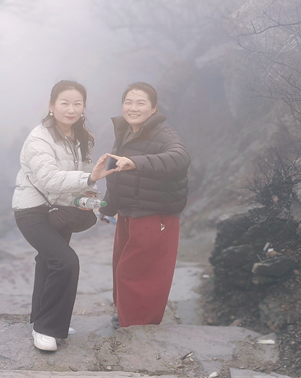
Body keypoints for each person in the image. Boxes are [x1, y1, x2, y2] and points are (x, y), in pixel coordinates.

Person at [12, 80, 113, 351]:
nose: (71, 109)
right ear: (51, 106)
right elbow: (48, 178)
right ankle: (46, 328)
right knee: (65, 261)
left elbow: (85, 177)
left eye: (77, 104)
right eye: (65, 103)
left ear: (83, 107)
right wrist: (89, 179)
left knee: (48, 262)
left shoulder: (81, 137)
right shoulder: (39, 138)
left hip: (61, 209)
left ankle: (43, 319)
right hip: (32, 210)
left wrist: (89, 197)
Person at [98, 82, 191, 328]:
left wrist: (137, 162)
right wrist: (107, 207)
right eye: (128, 102)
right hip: (129, 212)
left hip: (155, 214)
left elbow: (180, 158)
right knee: (122, 267)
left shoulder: (164, 134)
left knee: (138, 272)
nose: (133, 108)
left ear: (153, 108)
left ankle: (139, 326)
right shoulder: (124, 132)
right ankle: (127, 318)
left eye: (141, 103)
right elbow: (116, 174)